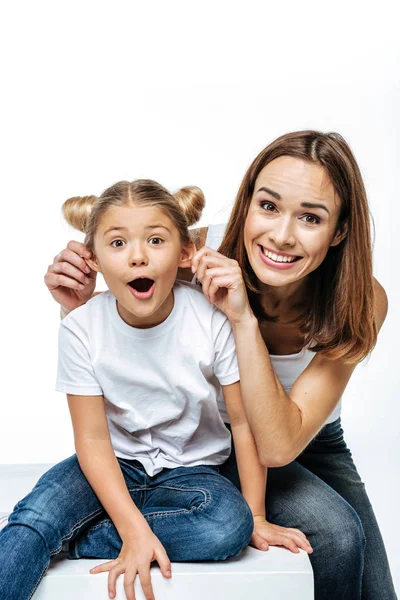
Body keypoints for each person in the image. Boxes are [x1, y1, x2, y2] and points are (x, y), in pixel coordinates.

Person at [45, 131, 397, 600]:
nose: (281, 235)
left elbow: (279, 445)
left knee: (375, 586)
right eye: (268, 206)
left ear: (339, 231)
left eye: (310, 217)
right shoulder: (196, 254)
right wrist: (76, 306)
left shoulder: (360, 299)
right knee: (336, 532)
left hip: (305, 442)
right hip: (209, 438)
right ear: (245, 204)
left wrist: (243, 320)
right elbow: (125, 316)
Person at [1, 179, 310, 600]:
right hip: (112, 465)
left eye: (155, 240)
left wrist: (255, 514)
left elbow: (242, 421)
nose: (138, 256)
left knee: (228, 526)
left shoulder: (211, 318)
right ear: (92, 259)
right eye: (117, 243)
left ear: (185, 252)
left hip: (194, 472)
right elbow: (91, 439)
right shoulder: (81, 328)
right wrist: (130, 525)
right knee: (30, 521)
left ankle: (78, 537)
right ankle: (82, 528)